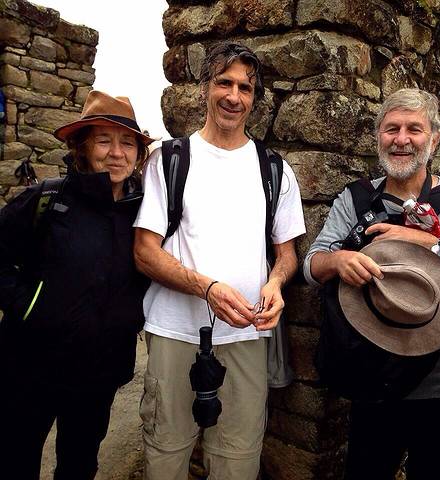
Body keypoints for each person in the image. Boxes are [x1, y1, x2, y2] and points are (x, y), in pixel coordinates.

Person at [133, 41, 305, 480]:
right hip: (174, 331)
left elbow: (287, 255)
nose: (233, 96)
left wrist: (275, 284)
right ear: (205, 88)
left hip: (246, 333)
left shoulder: (275, 170)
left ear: (254, 98)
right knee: (166, 452)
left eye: (245, 88)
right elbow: (145, 252)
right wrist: (206, 288)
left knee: (238, 458)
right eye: (224, 83)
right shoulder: (169, 160)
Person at [304, 88, 440, 479]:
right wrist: (338, 261)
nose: (401, 139)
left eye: (414, 129)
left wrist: (432, 246)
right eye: (392, 129)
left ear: (434, 140)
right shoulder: (355, 200)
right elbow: (311, 265)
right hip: (371, 376)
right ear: (379, 137)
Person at [0, 90, 153, 479]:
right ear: (83, 146)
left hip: (98, 374)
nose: (116, 153)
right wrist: (28, 306)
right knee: (15, 461)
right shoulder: (48, 199)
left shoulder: (143, 213)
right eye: (104, 141)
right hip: (30, 365)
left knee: (79, 465)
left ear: (139, 153)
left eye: (127, 143)